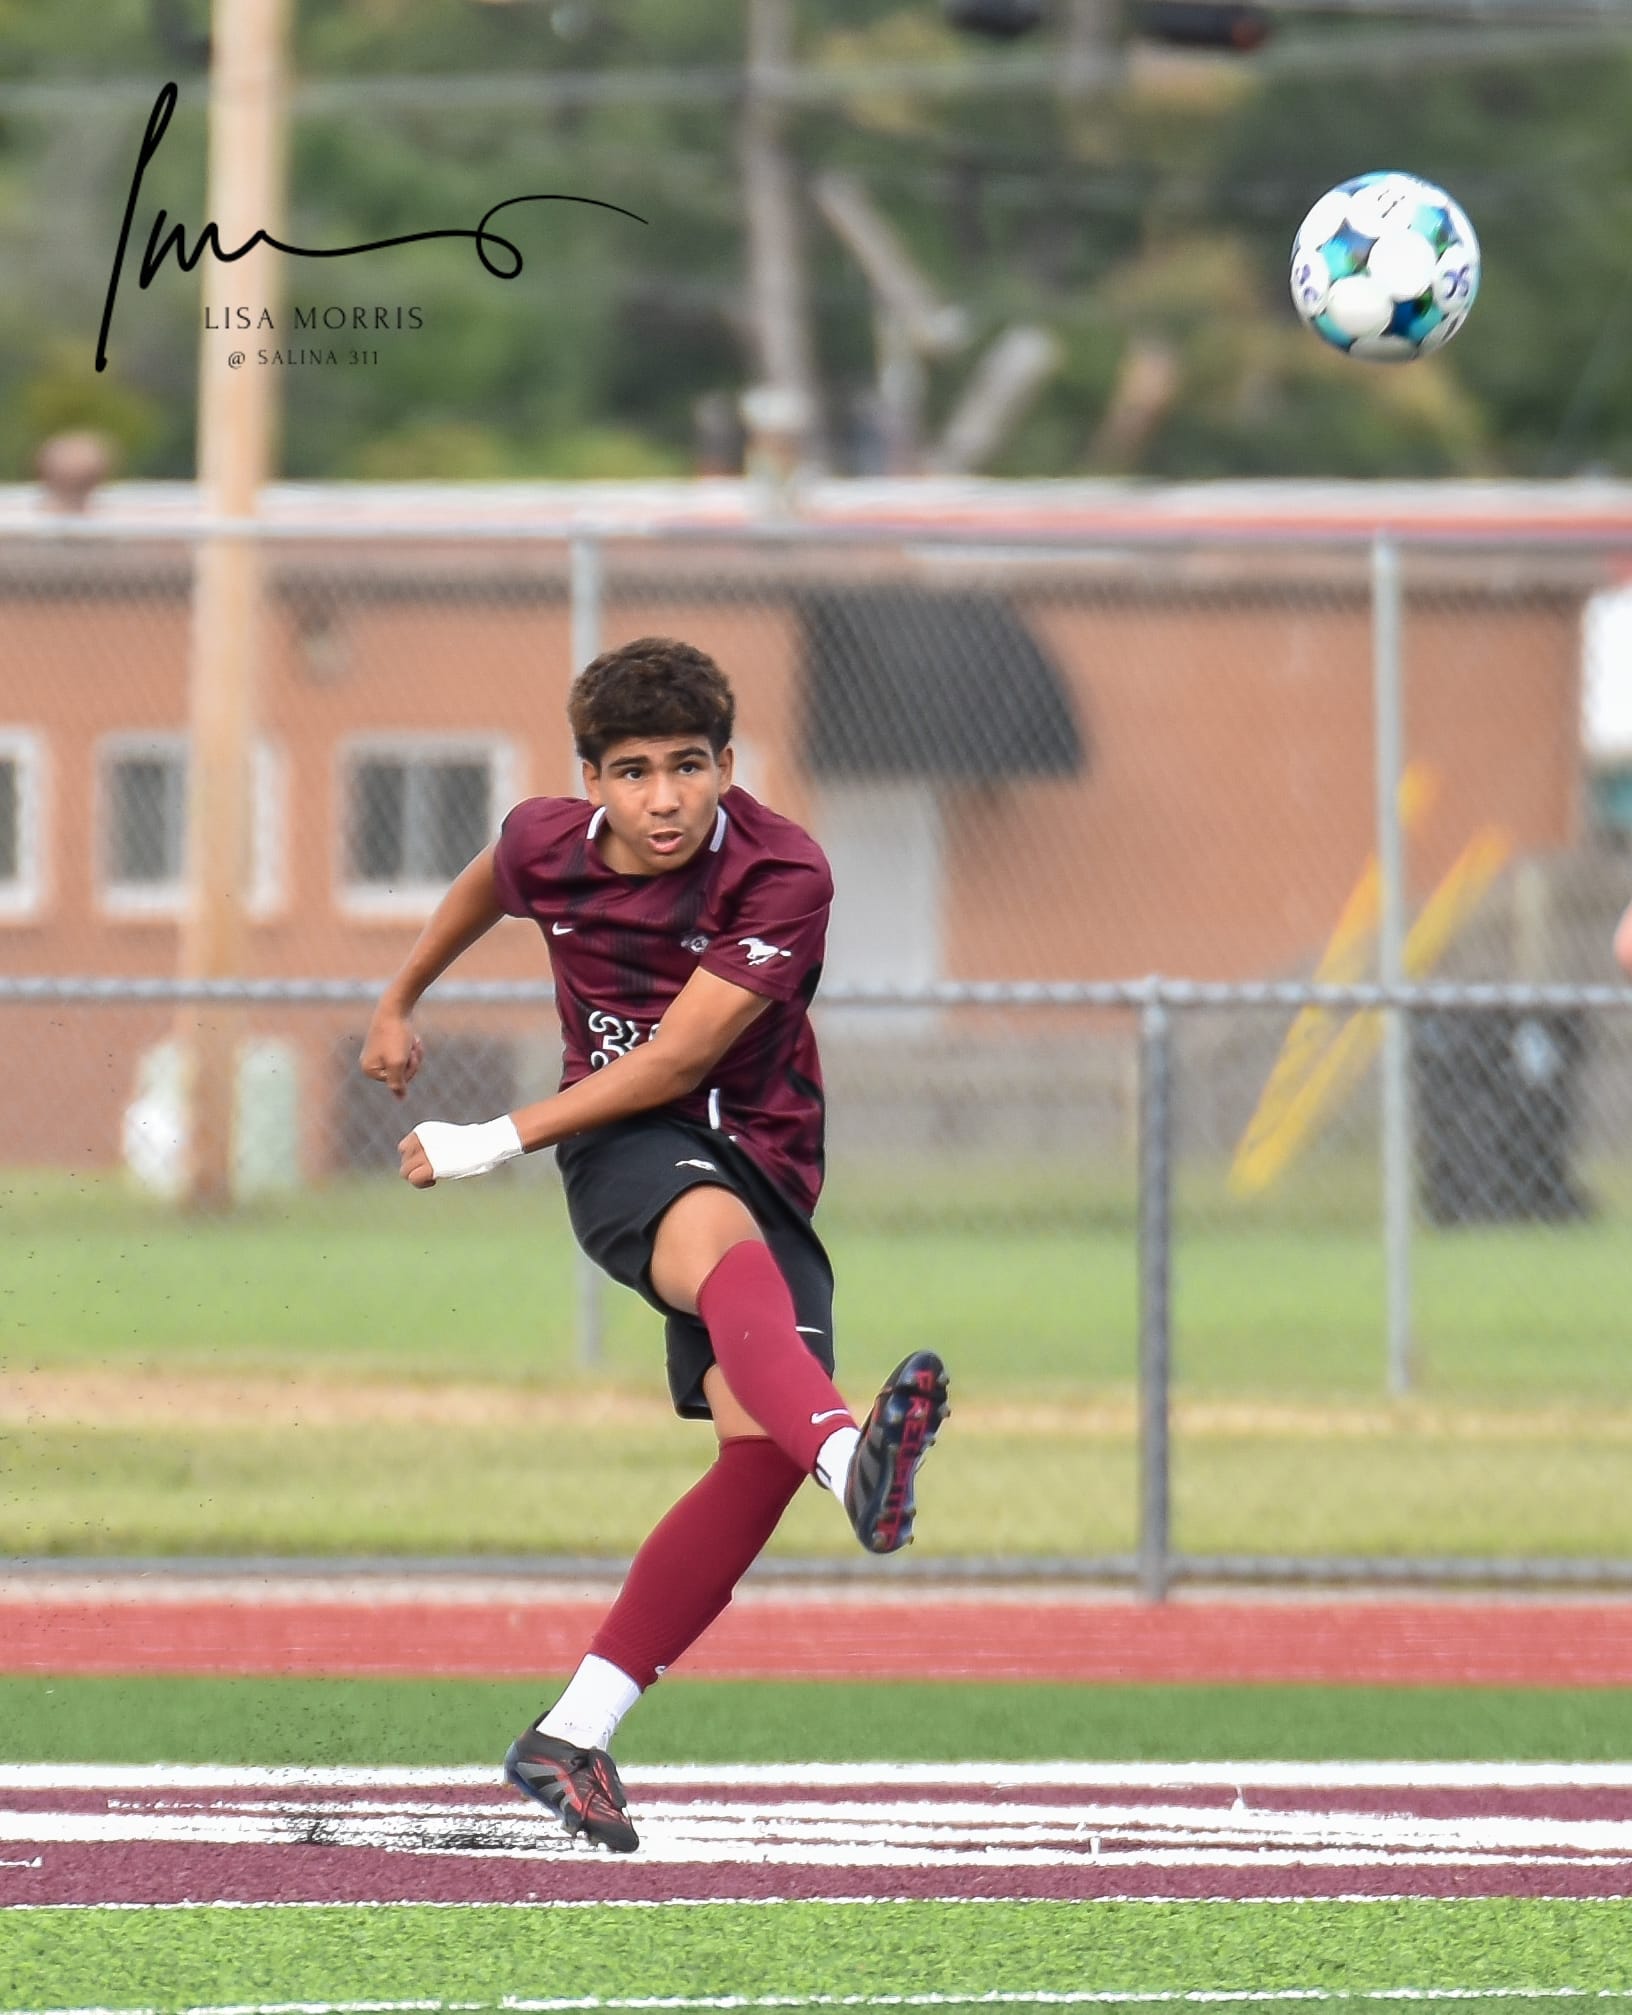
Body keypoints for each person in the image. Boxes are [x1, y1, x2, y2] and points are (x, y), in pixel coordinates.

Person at [360, 636, 950, 1856]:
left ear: (729, 764)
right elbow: (485, 885)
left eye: (689, 765)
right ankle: (856, 1460)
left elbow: (684, 1053)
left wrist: (489, 1137)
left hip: (764, 1156)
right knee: (729, 1262)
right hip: (626, 1144)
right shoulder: (545, 842)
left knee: (759, 1454)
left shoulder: (783, 870)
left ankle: (570, 1733)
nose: (665, 797)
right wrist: (398, 998)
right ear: (591, 781)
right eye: (633, 772)